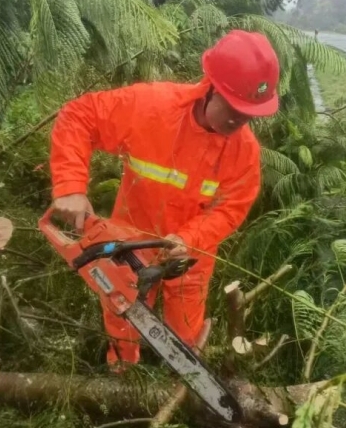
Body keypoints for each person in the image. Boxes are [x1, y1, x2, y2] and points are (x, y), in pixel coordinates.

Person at [48, 29, 280, 372]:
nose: (239, 121)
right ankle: (123, 375)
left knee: (184, 334)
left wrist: (190, 239)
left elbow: (232, 208)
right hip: (128, 242)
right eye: (233, 109)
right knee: (122, 321)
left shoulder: (243, 152)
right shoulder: (152, 108)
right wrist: (70, 185)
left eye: (249, 114)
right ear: (212, 87)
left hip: (190, 255)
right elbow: (79, 116)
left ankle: (181, 380)